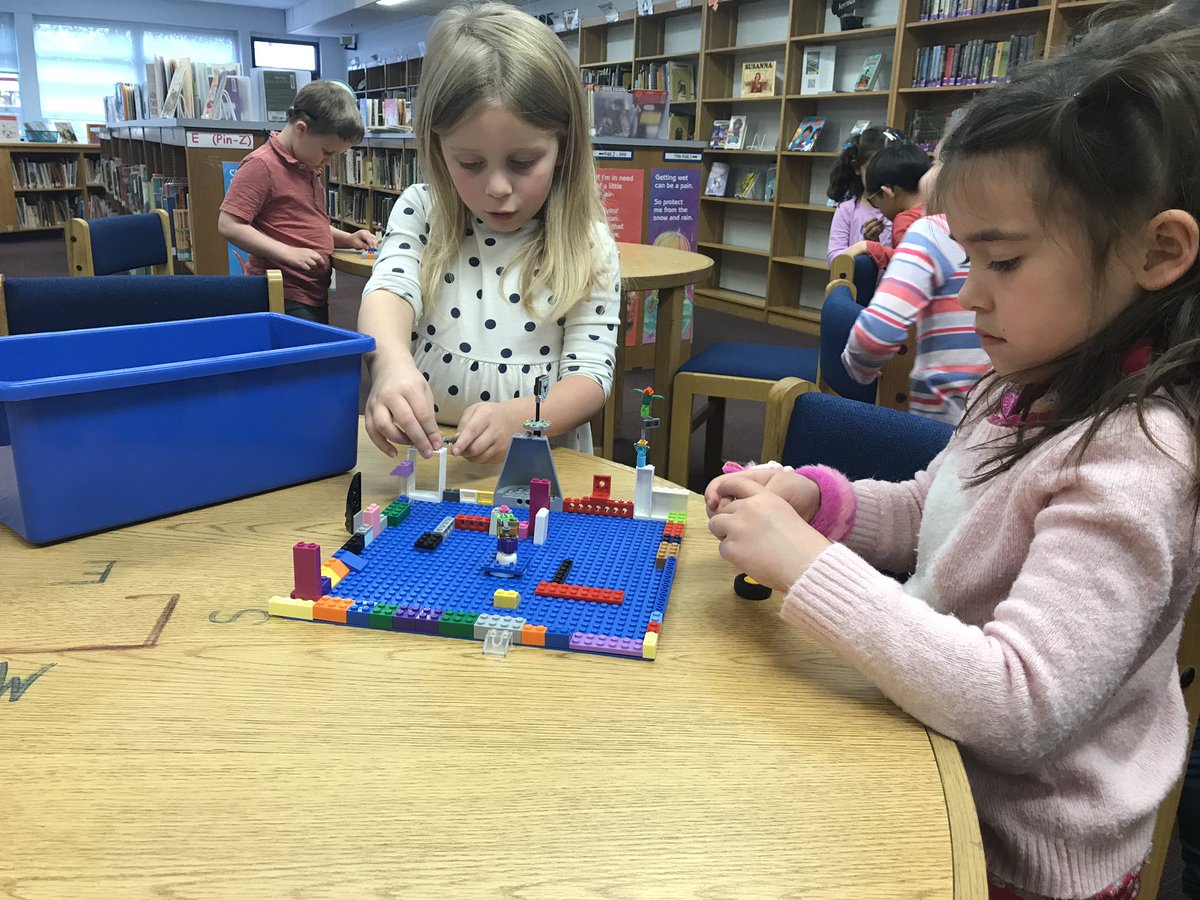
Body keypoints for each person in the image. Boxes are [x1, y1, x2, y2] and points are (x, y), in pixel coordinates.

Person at [707, 1, 1200, 897]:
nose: (969, 294)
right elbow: (933, 514)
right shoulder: (1019, 387)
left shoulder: (1136, 461)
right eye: (966, 258)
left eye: (1001, 261)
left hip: (1014, 858)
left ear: (1157, 251)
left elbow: (1019, 703)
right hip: (924, 762)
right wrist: (820, 504)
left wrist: (808, 566)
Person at [358, 2, 620, 465]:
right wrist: (390, 364)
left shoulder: (588, 243)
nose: (497, 187)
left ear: (563, 146)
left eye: (523, 162)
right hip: (427, 458)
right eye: (470, 163)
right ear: (438, 147)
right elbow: (388, 292)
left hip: (540, 461)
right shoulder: (423, 210)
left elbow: (590, 378)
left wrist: (524, 417)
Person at [841, 147, 989, 424]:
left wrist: (859, 370)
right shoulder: (1028, 241)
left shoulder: (930, 230)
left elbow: (875, 334)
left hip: (944, 421)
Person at [218, 80, 378, 324]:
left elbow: (304, 222)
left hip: (312, 291)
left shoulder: (306, 166)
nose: (329, 162)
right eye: (327, 152)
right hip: (282, 294)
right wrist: (287, 253)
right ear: (301, 129)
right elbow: (229, 224)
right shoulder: (262, 165)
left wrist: (348, 238)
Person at [842, 140, 930, 269]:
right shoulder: (937, 211)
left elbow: (908, 264)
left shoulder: (905, 220)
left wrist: (867, 246)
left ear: (887, 193)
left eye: (874, 201)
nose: (879, 209)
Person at [825, 126, 901, 264]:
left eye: (887, 170)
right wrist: (864, 245)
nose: (880, 177)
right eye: (872, 169)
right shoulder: (848, 209)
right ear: (857, 168)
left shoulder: (901, 208)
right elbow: (834, 260)